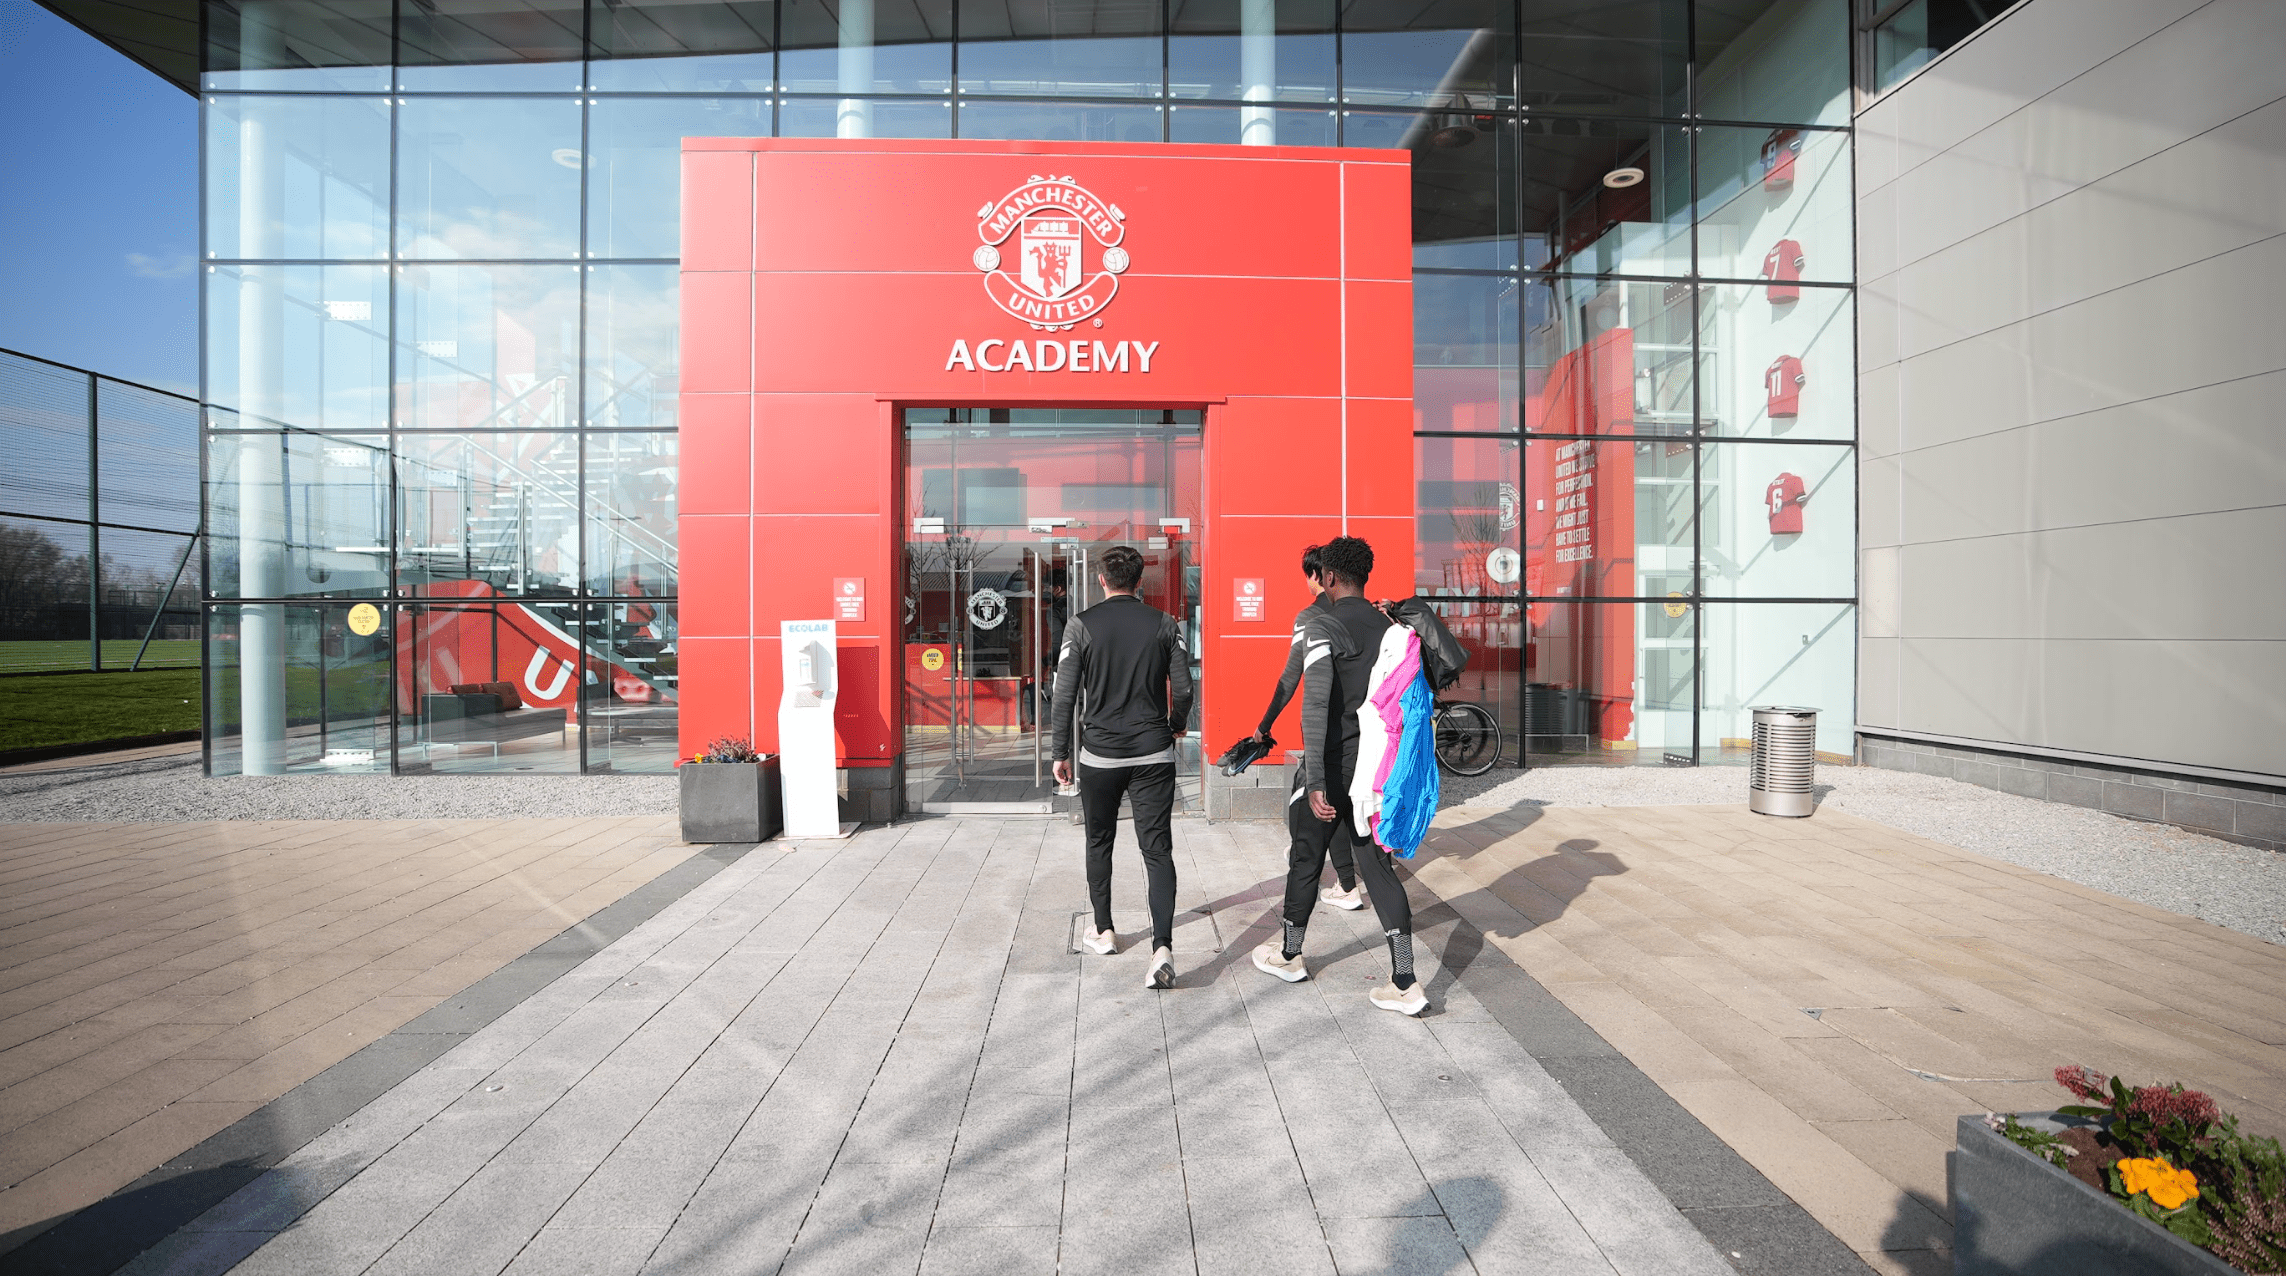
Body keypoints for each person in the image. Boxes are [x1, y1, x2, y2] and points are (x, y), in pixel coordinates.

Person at [1250, 535, 1428, 1016]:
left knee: (1306, 857)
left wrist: (1313, 780)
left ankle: (1289, 954)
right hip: (1375, 772)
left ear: (1328, 577)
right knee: (1378, 869)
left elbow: (1313, 702)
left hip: (1332, 765)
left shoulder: (1322, 625)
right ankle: (1406, 980)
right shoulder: (1389, 625)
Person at [1050, 545, 1194, 990]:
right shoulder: (1164, 624)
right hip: (1153, 753)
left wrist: (1061, 753)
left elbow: (1064, 696)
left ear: (1102, 581)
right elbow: (1185, 688)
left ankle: (1104, 930)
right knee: (1158, 849)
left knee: (1100, 841)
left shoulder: (1082, 625)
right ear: (1140, 581)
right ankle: (1163, 947)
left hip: (1100, 756)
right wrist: (1174, 726)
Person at [1252, 545, 1364, 911]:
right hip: (1363, 736)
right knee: (1341, 809)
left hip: (1325, 737)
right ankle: (1349, 883)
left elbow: (1290, 677)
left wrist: (1264, 724)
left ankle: (1302, 925)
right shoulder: (1361, 612)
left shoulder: (1310, 617)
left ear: (1317, 576)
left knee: (1312, 805)